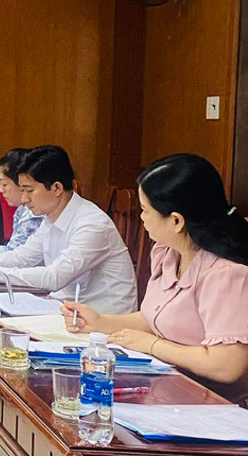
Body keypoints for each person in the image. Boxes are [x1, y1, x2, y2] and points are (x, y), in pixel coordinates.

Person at [63, 154, 248, 392]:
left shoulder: (226, 274)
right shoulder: (167, 252)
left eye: (145, 210)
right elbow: (159, 318)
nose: (141, 218)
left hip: (213, 400)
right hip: (166, 382)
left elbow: (226, 366)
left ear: (176, 221)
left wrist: (152, 346)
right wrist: (100, 322)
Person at [0, 145, 137, 314]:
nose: (24, 199)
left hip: (102, 325)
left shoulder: (92, 224)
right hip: (66, 311)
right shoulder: (51, 217)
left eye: (29, 190)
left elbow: (54, 277)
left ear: (57, 188)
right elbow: (21, 257)